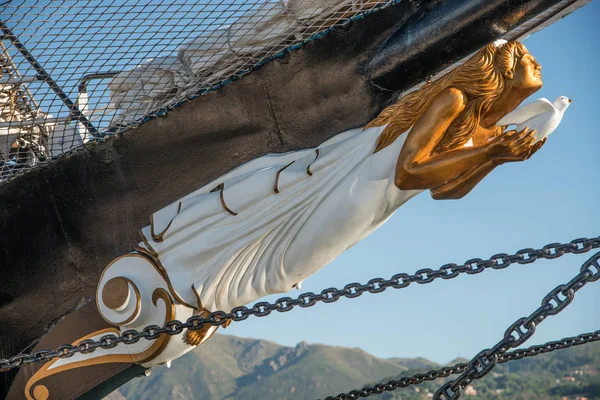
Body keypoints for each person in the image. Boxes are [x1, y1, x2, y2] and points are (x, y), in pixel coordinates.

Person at [121, 40, 546, 322]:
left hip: (379, 209)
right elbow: (407, 171)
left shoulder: (489, 133)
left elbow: (443, 189)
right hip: (361, 187)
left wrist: (495, 159)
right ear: (501, 70)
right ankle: (206, 298)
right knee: (291, 262)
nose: (537, 63)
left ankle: (209, 299)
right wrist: (488, 153)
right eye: (527, 59)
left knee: (293, 265)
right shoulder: (454, 100)